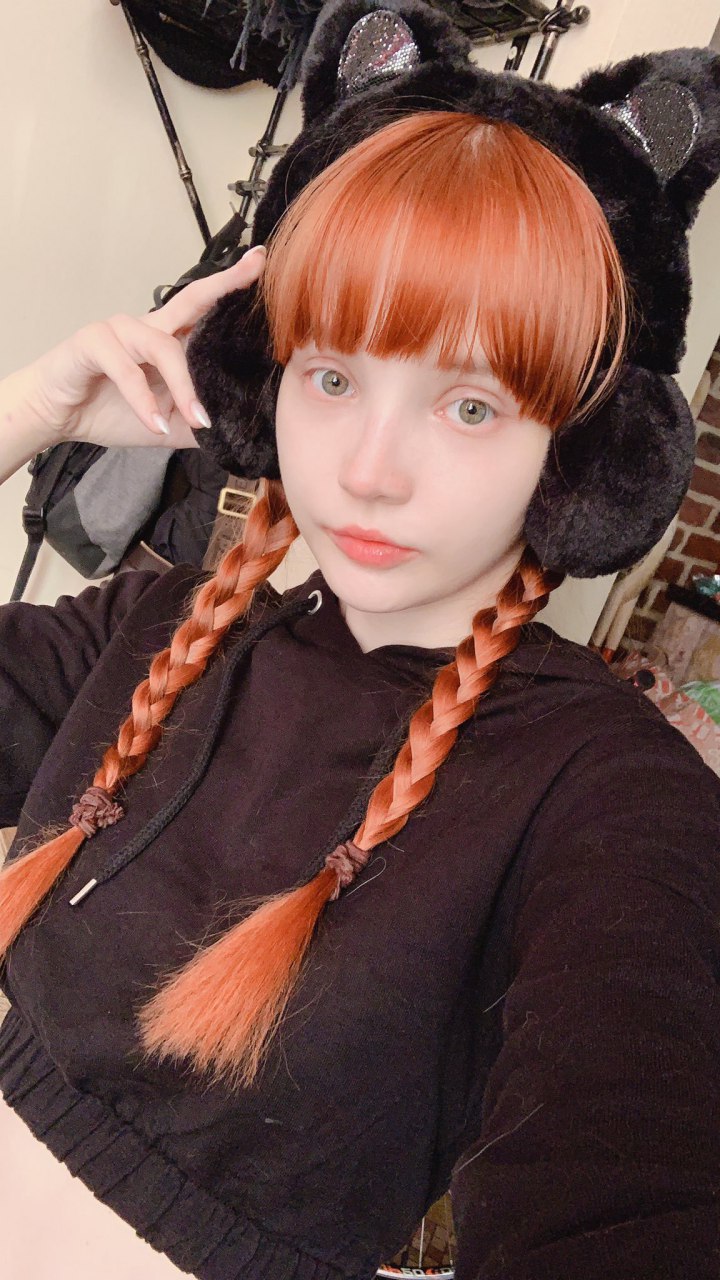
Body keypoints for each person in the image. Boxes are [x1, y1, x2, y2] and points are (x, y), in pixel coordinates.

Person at [1, 2, 720, 1277]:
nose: (370, 471)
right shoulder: (155, 624)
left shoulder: (609, 795)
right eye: (332, 376)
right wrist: (28, 414)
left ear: (581, 451)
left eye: (469, 403)